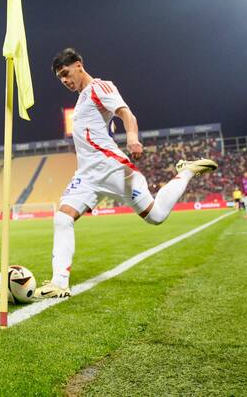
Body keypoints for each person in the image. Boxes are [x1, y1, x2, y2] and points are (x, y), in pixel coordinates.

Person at [35, 48, 218, 299]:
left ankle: (185, 172)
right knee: (62, 218)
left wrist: (132, 138)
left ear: (79, 65)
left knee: (156, 216)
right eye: (60, 78)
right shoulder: (80, 100)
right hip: (86, 176)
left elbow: (125, 113)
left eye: (66, 73)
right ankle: (59, 283)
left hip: (112, 168)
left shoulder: (100, 87)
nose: (65, 80)